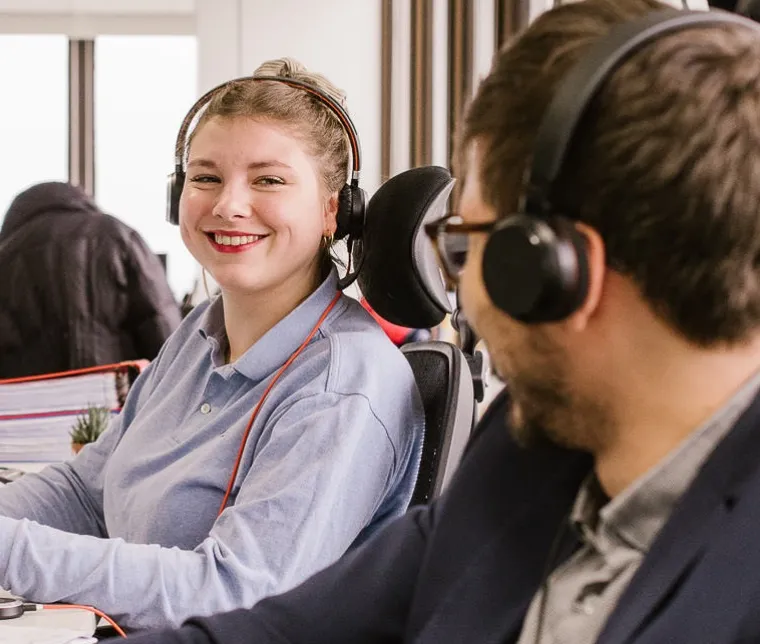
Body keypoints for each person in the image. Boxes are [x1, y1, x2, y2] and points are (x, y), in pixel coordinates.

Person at [119, 2, 760, 643]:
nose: (458, 288)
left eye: (464, 243)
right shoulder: (524, 463)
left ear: (550, 268)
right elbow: (276, 631)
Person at [0, 58, 424, 631]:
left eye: (268, 179)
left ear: (334, 210)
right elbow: (84, 490)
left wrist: (11, 551)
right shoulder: (198, 336)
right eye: (206, 177)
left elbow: (235, 593)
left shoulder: (343, 383)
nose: (228, 204)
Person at [0, 181, 181, 378]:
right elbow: (162, 327)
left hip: (31, 405)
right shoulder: (115, 233)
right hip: (119, 401)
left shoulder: (6, 255)